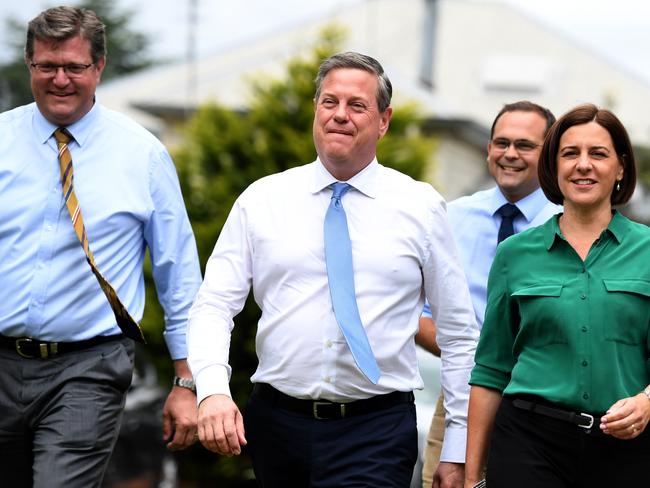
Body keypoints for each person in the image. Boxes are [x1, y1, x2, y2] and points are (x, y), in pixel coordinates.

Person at [187, 51, 478, 487]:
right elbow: (213, 306)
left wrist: (457, 447)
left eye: (356, 105)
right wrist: (212, 390)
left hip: (375, 429)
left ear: (384, 120)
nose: (340, 115)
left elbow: (457, 332)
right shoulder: (262, 200)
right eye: (329, 102)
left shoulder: (421, 207)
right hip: (276, 424)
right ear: (315, 111)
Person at [0, 6, 202, 487]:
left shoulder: (144, 156)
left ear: (100, 67)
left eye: (74, 67)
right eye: (47, 67)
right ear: (29, 65)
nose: (61, 80)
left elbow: (179, 277)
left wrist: (188, 381)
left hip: (87, 368)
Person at [465, 103, 650, 488]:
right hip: (529, 442)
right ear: (553, 166)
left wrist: (647, 401)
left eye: (598, 153)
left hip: (627, 447)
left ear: (620, 167)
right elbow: (490, 370)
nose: (583, 165)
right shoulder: (515, 253)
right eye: (570, 153)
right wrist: (472, 477)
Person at [416, 101, 560, 487]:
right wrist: (478, 363)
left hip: (541, 407)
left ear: (549, 152)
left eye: (525, 145)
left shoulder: (566, 225)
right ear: (488, 149)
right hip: (459, 402)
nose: (510, 154)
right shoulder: (452, 217)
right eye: (501, 142)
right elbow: (417, 313)